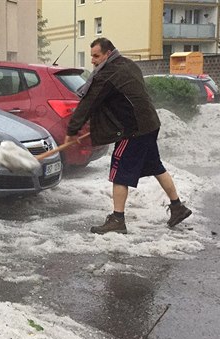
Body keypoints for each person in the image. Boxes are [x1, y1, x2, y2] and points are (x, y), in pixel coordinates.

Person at [65, 37, 192, 234]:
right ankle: (178, 207)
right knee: (155, 166)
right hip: (149, 123)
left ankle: (117, 219)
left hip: (133, 130)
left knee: (119, 172)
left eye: (96, 56)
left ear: (108, 53)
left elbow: (89, 103)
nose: (93, 60)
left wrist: (72, 131)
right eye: (91, 56)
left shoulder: (108, 73)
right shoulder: (128, 64)